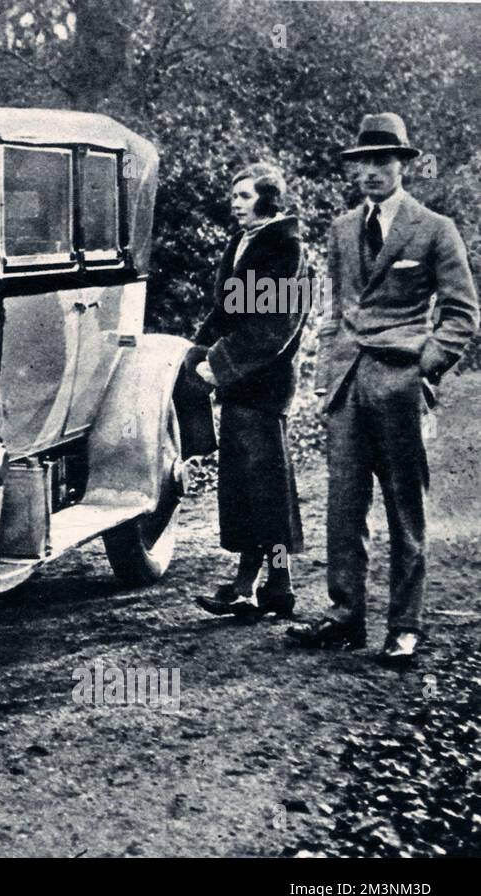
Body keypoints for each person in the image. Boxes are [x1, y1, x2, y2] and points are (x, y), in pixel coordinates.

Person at [287, 113, 479, 665]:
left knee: (404, 506)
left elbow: (462, 315)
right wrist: (324, 381)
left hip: (399, 383)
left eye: (382, 162)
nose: (371, 172)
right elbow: (334, 313)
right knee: (344, 507)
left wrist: (424, 367)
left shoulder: (434, 228)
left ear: (403, 166)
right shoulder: (344, 228)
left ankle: (405, 625)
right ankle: (346, 618)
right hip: (347, 385)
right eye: (363, 163)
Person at [187, 162, 308, 619]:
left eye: (244, 196)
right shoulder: (242, 242)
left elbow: (274, 328)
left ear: (267, 200)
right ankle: (271, 587)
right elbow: (226, 311)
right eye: (234, 196)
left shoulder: (285, 248)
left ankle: (258, 585)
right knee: (249, 491)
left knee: (266, 493)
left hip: (264, 386)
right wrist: (196, 352)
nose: (234, 203)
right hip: (239, 384)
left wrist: (219, 365)